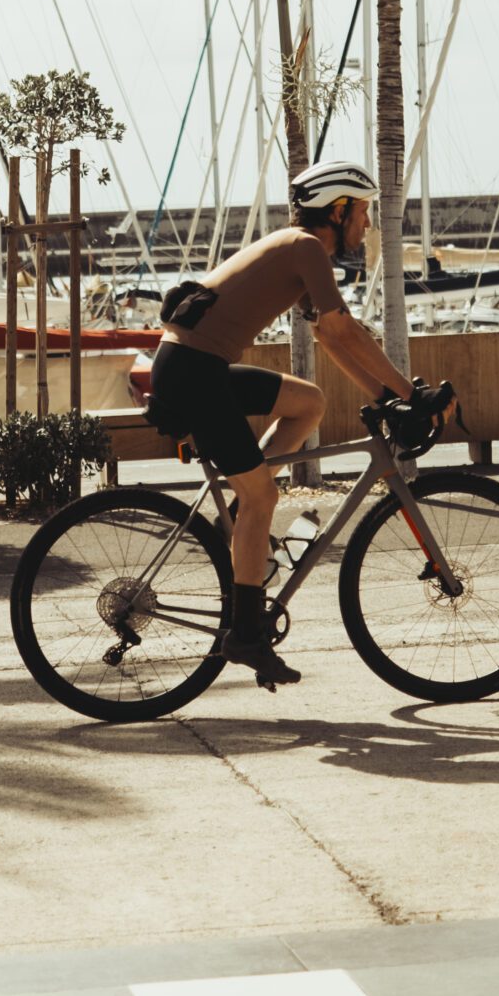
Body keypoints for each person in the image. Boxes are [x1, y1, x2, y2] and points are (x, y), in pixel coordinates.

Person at [146, 158, 417, 688]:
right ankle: (247, 634)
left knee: (308, 403)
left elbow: (329, 336)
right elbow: (343, 329)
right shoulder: (306, 247)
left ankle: (241, 516)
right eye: (362, 211)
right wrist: (407, 394)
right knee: (264, 496)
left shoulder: (301, 249)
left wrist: (384, 397)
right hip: (193, 373)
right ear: (336, 211)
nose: (367, 224)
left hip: (196, 365)